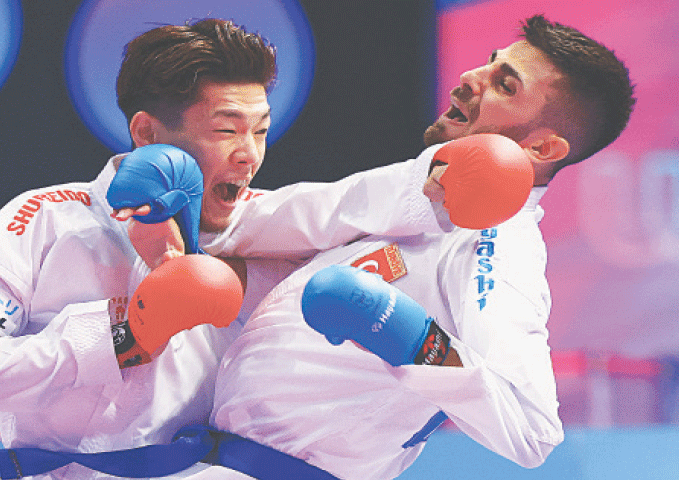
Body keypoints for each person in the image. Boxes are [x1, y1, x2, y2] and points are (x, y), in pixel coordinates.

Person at [160, 14, 635, 480]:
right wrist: (176, 202)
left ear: (544, 149)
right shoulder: (421, 191)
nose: (471, 78)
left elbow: (532, 430)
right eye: (489, 63)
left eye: (505, 84)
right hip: (205, 453)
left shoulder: (500, 244)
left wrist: (408, 336)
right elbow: (293, 216)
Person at [0, 19, 302, 480]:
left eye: (259, 131)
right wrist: (121, 337)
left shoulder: (271, 234)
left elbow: (366, 215)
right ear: (147, 133)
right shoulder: (46, 218)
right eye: (227, 131)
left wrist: (414, 184)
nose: (249, 155)